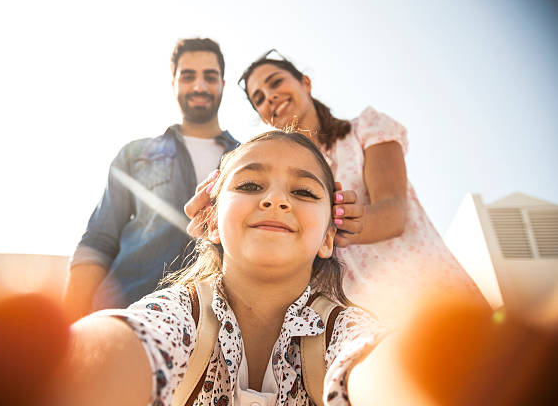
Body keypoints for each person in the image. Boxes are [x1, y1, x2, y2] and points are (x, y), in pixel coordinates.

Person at [49, 131, 384, 406]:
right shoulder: (179, 312)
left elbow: (381, 367)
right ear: (211, 223)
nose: (276, 200)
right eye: (250, 185)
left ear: (329, 239)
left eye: (304, 191)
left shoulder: (343, 328)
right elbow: (130, 340)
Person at [187, 50, 485, 326]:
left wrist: (326, 222)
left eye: (276, 82)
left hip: (424, 289)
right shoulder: (274, 177)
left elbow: (393, 213)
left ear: (305, 82)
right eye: (260, 98)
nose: (271, 97)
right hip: (353, 314)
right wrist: (225, 222)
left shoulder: (365, 130)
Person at [63, 38, 238, 321]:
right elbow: (99, 239)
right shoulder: (135, 154)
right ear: (173, 84)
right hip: (123, 313)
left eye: (210, 76)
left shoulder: (247, 159)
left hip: (215, 325)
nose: (199, 86)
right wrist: (68, 319)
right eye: (188, 76)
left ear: (223, 84)